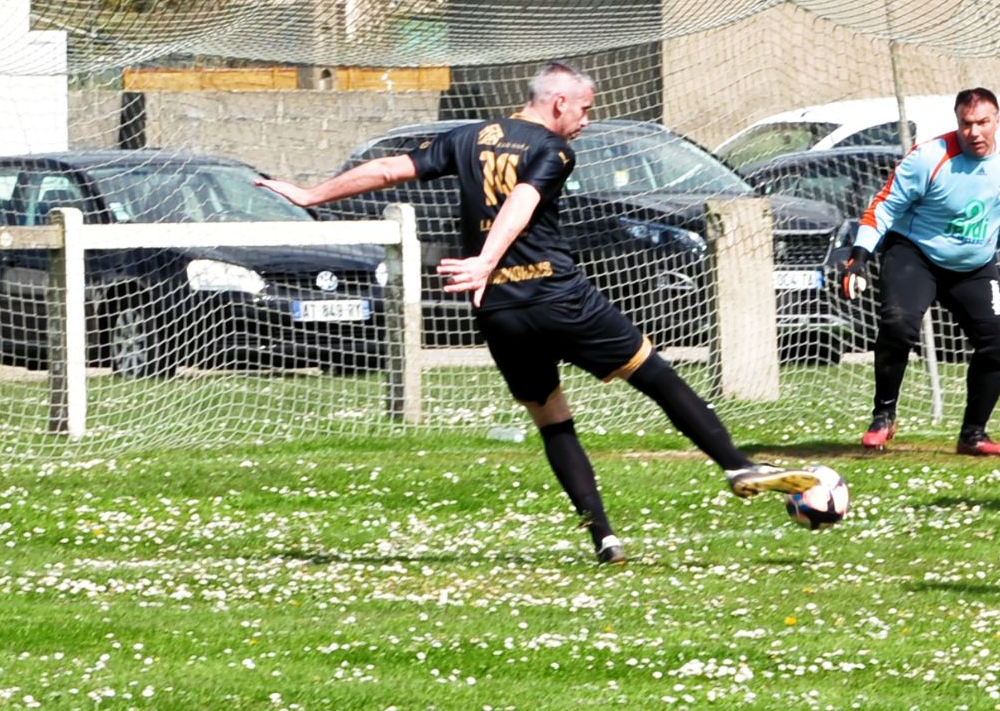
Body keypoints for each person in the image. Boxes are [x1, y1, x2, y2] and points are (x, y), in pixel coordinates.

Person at [257, 62, 822, 566]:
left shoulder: (466, 136)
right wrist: (484, 259)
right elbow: (523, 203)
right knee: (656, 376)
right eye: (584, 109)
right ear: (558, 103)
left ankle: (603, 536)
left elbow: (388, 169)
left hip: (500, 310)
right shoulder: (553, 150)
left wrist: (312, 194)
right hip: (557, 296)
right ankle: (734, 464)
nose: (586, 120)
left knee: (553, 419)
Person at [834, 88, 1000, 456]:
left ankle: (973, 434)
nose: (974, 132)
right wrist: (859, 256)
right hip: (915, 254)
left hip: (974, 266)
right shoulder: (928, 158)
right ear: (957, 123)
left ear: (997, 121)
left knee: (999, 343)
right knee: (898, 324)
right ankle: (883, 416)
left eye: (982, 123)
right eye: (966, 124)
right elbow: (882, 207)